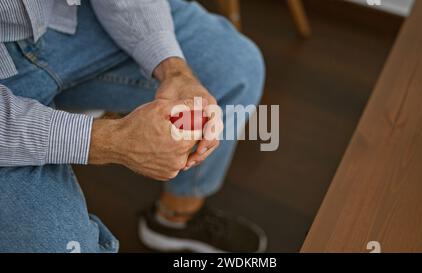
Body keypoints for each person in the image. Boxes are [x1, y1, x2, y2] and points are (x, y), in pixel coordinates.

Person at [0, 0, 266, 253]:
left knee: (236, 68)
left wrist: (174, 70)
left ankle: (175, 220)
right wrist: (110, 141)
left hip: (62, 18)